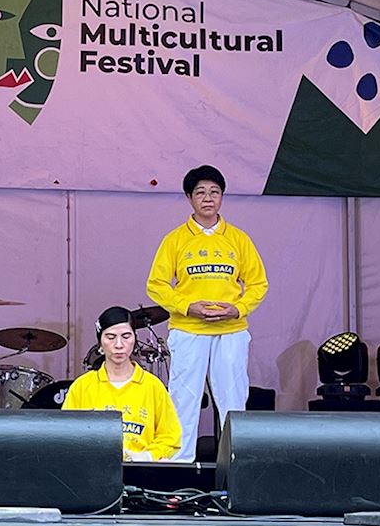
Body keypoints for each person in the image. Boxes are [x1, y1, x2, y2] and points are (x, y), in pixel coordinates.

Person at [146, 165, 268, 462]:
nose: (208, 198)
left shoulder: (238, 239)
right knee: (183, 399)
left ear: (222, 197)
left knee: (233, 400)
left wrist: (238, 309)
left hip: (231, 331)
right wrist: (188, 307)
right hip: (188, 330)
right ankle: (179, 467)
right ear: (189, 198)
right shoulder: (175, 239)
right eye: (200, 192)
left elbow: (258, 283)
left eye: (215, 192)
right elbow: (156, 284)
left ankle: (235, 466)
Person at [62, 306, 182, 461]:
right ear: (100, 342)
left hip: (141, 470)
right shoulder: (82, 386)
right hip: (95, 468)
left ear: (135, 339)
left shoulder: (152, 386)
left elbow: (171, 437)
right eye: (110, 337)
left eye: (126, 336)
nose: (119, 344)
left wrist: (148, 456)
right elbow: (67, 435)